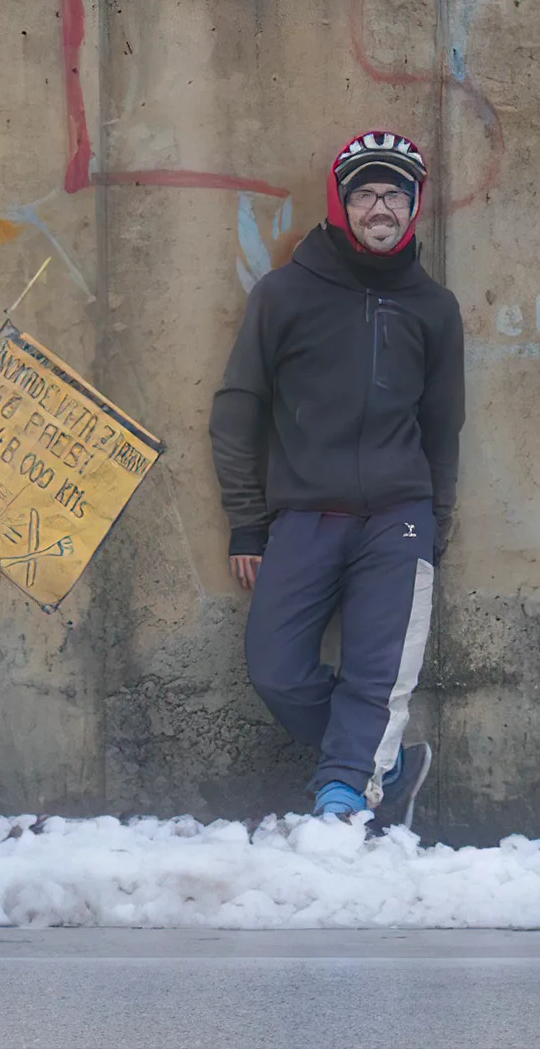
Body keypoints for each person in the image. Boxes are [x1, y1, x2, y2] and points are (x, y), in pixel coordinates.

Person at [208, 131, 465, 826]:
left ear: (413, 207)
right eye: (365, 193)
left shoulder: (434, 309)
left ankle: (343, 799)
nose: (379, 207)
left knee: (377, 676)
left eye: (393, 194)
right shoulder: (286, 294)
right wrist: (246, 521)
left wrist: (434, 525)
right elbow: (238, 411)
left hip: (399, 519)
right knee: (276, 668)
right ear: (340, 202)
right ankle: (388, 763)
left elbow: (444, 426)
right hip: (303, 516)